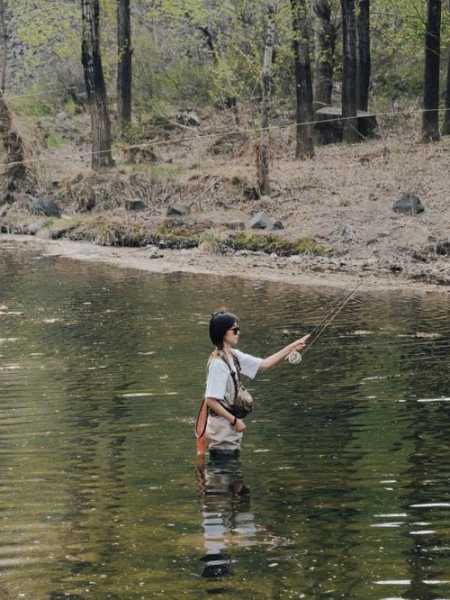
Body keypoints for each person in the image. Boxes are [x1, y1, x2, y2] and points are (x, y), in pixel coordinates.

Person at [204, 310, 309, 458]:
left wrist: (291, 347)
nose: (238, 332)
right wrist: (235, 421)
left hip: (229, 429)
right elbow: (210, 400)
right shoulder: (217, 364)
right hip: (222, 430)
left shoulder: (233, 355)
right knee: (224, 471)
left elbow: (265, 364)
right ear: (223, 333)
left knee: (232, 475)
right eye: (234, 330)